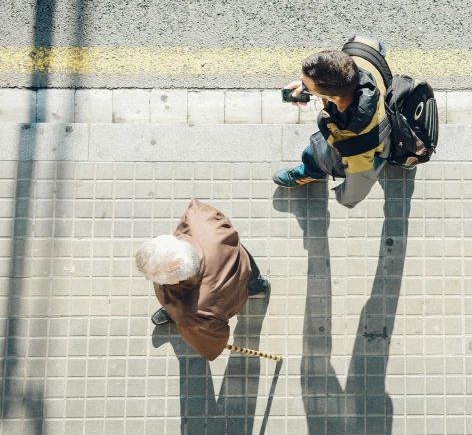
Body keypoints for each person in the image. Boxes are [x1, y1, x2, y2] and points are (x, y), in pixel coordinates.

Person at [134, 199, 270, 361]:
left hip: (223, 300)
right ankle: (258, 285)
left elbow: (211, 348)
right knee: (253, 279)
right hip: (236, 256)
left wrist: (183, 318)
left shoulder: (194, 316)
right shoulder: (196, 217)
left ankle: (173, 310)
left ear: (175, 283)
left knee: (180, 309)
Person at [272, 35, 391, 209]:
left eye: (307, 86)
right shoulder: (361, 50)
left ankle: (312, 171)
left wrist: (342, 197)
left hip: (365, 145)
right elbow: (378, 46)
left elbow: (355, 190)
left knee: (312, 154)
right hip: (385, 117)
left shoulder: (356, 147)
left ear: (332, 98)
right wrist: (309, 88)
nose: (301, 85)